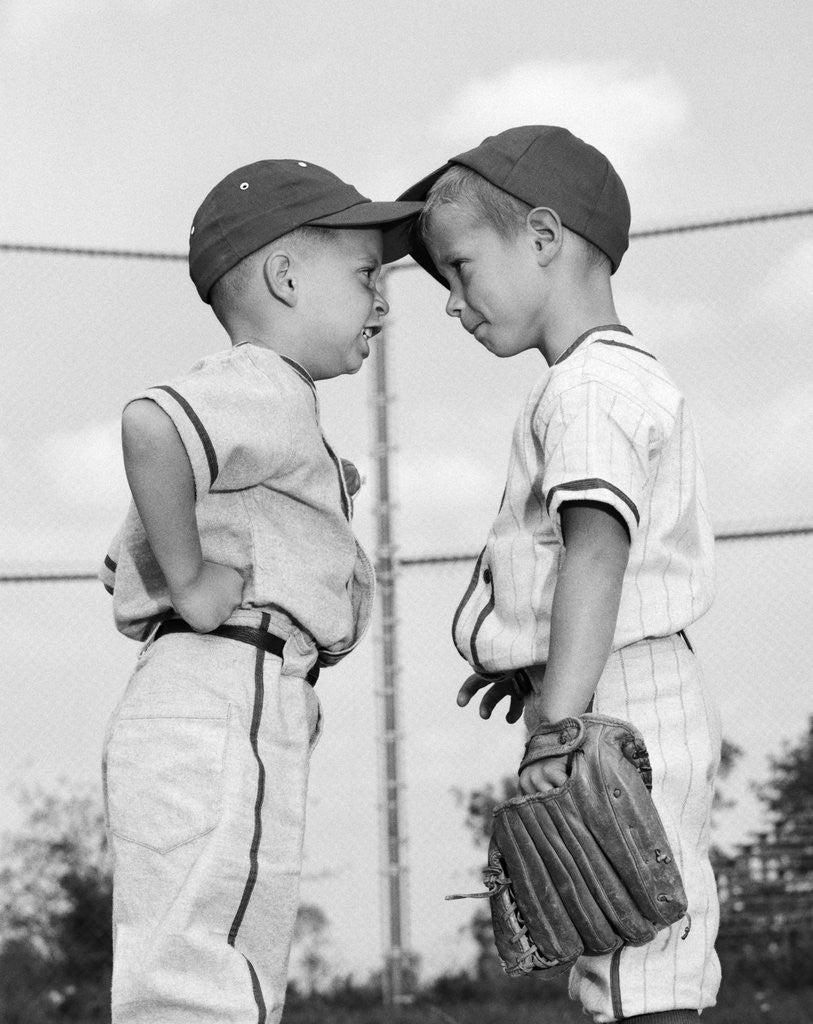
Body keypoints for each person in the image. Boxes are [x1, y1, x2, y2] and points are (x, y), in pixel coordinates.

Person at [398, 126, 721, 1024]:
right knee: (631, 949)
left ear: (542, 238)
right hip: (622, 680)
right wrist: (538, 656)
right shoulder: (616, 377)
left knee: (634, 958)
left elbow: (596, 549)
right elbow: (580, 556)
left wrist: (563, 717)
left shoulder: (583, 390)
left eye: (459, 267)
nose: (452, 301)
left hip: (616, 697)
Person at [98, 159, 422, 1024]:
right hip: (222, 675)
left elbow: (127, 548)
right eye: (365, 276)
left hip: (209, 689)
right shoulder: (265, 384)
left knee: (201, 955)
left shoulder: (268, 406)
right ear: (283, 277)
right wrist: (197, 585)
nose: (383, 303)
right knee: (204, 974)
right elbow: (152, 424)